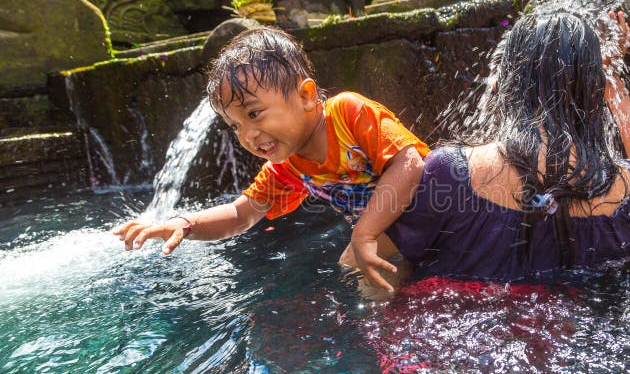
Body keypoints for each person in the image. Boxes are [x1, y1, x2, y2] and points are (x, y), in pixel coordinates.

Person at [113, 26, 429, 293]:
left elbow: (410, 164)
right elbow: (241, 213)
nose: (248, 134)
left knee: (361, 266)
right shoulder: (286, 168)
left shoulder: (346, 114)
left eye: (254, 113)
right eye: (235, 125)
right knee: (354, 271)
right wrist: (185, 223)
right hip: (392, 229)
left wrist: (365, 233)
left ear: (306, 96)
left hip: (437, 203)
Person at [381, 11, 630, 285]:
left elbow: (362, 260)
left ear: (506, 83)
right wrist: (613, 83)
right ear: (594, 93)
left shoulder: (449, 174)